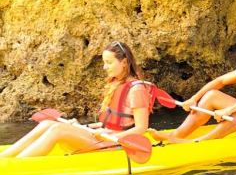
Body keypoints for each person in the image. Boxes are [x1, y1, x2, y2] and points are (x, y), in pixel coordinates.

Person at [0, 41, 152, 158]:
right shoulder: (116, 85)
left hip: (115, 144)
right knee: (47, 124)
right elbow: (109, 122)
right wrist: (83, 126)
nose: (104, 67)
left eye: (109, 62)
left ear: (124, 63)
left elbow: (141, 128)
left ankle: (17, 165)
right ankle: (4, 158)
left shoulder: (136, 89)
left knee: (57, 130)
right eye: (104, 62)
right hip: (102, 136)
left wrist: (112, 136)